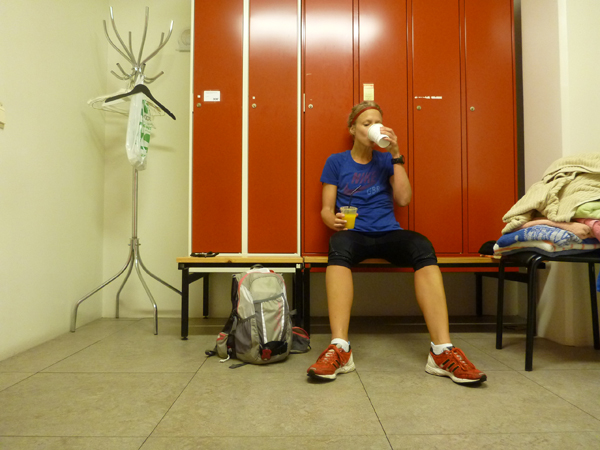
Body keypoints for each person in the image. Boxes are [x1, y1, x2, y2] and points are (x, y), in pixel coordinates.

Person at [306, 101, 487, 385]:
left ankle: (441, 351)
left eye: (377, 123)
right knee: (338, 245)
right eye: (366, 123)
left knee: (422, 245)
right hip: (353, 234)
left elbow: (403, 199)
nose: (373, 128)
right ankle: (340, 347)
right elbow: (326, 210)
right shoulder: (336, 162)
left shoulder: (386, 160)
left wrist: (395, 154)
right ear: (352, 129)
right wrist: (333, 221)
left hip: (388, 232)